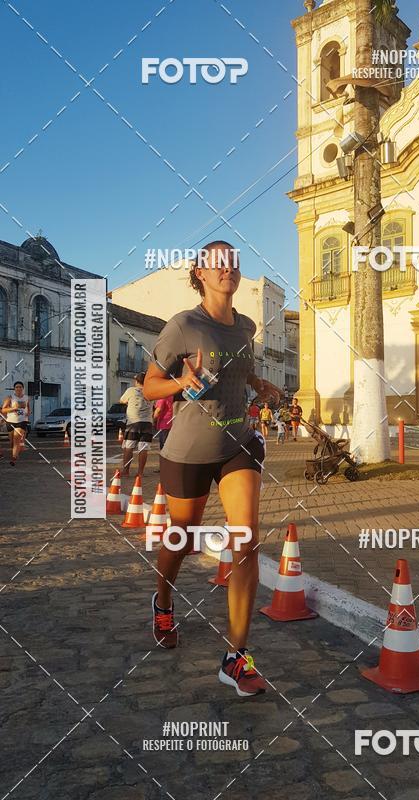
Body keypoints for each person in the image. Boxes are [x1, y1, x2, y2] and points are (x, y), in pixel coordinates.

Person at [143, 240, 280, 697]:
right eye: (218, 263)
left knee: (246, 540)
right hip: (188, 449)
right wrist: (183, 381)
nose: (229, 269)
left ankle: (236, 658)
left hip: (237, 443)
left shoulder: (246, 326)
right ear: (200, 274)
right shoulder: (183, 325)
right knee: (180, 536)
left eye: (234, 262)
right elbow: (149, 386)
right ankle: (163, 601)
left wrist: (261, 385)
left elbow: (243, 373)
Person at [120, 372, 154, 477]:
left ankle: (126, 471)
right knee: (143, 449)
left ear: (136, 381)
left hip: (133, 422)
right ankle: (140, 473)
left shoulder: (131, 390)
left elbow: (121, 401)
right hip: (147, 423)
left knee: (128, 447)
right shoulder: (151, 391)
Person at [1, 381, 30, 466]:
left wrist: (28, 413)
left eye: (20, 387)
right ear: (14, 389)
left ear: (23, 388)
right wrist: (14, 408)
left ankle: (14, 458)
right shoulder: (10, 398)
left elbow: (28, 409)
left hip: (22, 421)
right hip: (11, 421)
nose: (18, 388)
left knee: (16, 439)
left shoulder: (26, 398)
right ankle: (16, 452)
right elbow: (3, 410)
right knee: (12, 442)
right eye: (17, 387)